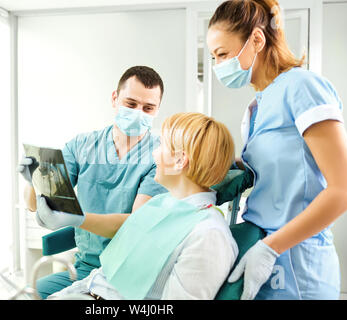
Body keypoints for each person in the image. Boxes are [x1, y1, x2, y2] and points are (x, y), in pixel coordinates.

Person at [206, 0, 347, 300]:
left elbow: (343, 191)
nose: (218, 65)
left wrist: (271, 247)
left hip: (297, 262)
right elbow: (281, 171)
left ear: (257, 40)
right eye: (213, 57)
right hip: (263, 252)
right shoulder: (257, 105)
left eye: (222, 54)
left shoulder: (302, 86)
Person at [46, 112, 238, 300]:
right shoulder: (162, 203)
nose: (154, 153)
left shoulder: (208, 235)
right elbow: (104, 279)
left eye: (162, 145)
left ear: (180, 161)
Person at [18, 66, 168, 299]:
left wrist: (79, 219)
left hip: (127, 274)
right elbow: (33, 205)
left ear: (157, 110)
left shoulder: (159, 157)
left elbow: (136, 225)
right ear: (114, 98)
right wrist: (33, 180)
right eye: (131, 104)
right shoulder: (82, 145)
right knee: (28, 294)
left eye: (148, 108)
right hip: (85, 267)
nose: (139, 112)